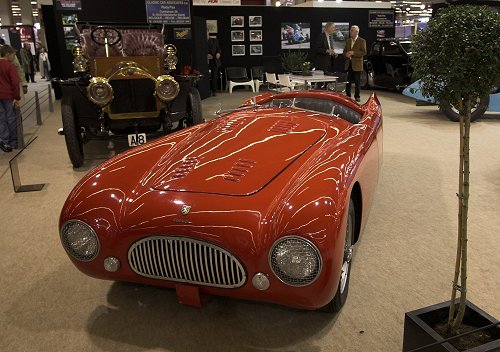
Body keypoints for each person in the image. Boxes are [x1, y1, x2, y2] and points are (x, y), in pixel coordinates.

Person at [0, 45, 21, 152]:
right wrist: (17, 97)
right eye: (13, 54)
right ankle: (13, 142)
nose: (14, 56)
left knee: (1, 118)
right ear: (8, 54)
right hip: (8, 96)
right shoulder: (10, 66)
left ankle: (4, 140)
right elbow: (15, 83)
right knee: (11, 118)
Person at [343, 25, 367, 102]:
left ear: (356, 32)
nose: (350, 32)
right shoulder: (348, 41)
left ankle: (357, 96)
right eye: (350, 30)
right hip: (349, 63)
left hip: (357, 64)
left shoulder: (362, 41)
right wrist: (346, 54)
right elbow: (344, 51)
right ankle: (348, 95)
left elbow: (364, 52)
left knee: (357, 81)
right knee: (348, 81)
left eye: (352, 30)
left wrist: (353, 53)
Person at [207, 32, 221, 97]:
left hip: (214, 61)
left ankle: (214, 91)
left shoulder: (214, 40)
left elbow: (219, 49)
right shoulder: (201, 41)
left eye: (206, 32)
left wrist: (218, 53)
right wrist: (206, 55)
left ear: (208, 32)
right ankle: (206, 91)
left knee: (214, 77)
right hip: (205, 62)